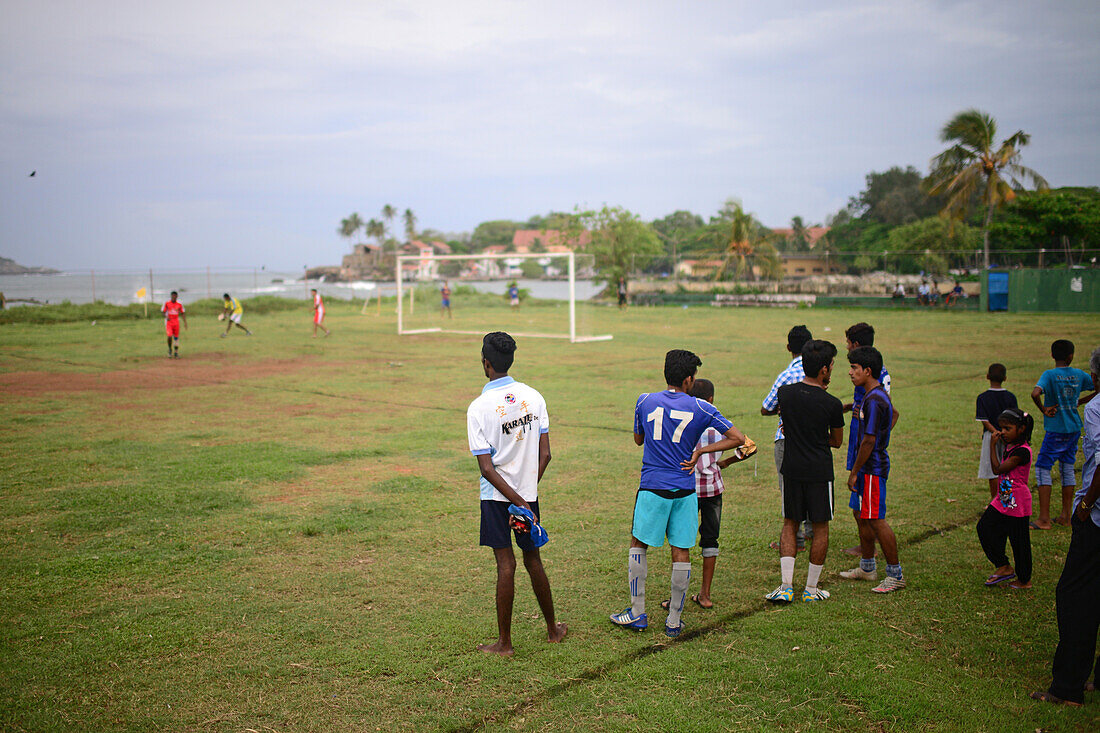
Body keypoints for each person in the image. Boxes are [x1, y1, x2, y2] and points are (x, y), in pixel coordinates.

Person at [610, 350, 746, 637]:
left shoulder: (645, 400)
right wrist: (700, 451)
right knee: (681, 550)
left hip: (652, 486)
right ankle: (673, 620)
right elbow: (738, 439)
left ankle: (637, 612)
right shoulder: (702, 407)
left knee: (639, 543)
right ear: (688, 380)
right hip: (684, 488)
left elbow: (638, 440)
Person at [466, 332, 566, 655]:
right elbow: (546, 454)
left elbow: (486, 469)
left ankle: (504, 643)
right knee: (532, 558)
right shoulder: (535, 397)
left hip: (497, 498)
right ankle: (553, 629)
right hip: (527, 495)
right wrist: (525, 496)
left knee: (505, 564)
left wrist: (514, 499)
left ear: (485, 363)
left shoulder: (478, 408)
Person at [1032, 345, 1100, 708]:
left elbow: (1035, 393)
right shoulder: (1084, 386)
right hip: (1072, 430)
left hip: (1096, 518)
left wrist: (1086, 506)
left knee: (1075, 597)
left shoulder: (1093, 407)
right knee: (1071, 470)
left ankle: (1068, 687)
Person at [765, 339, 845, 604]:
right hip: (820, 471)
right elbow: (836, 441)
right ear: (824, 369)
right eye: (832, 365)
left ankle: (786, 586)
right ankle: (811, 588)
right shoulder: (832, 404)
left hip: (792, 466)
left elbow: (785, 424)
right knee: (820, 527)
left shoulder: (786, 394)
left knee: (790, 522)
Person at [665, 378, 750, 610]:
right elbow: (749, 446)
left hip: (687, 488)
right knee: (710, 540)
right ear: (711, 399)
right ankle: (705, 594)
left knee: (680, 541)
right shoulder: (717, 424)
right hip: (713, 488)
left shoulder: (684, 421)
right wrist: (726, 462)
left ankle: (676, 597)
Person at [838, 346, 904, 593]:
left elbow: (868, 440)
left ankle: (895, 574)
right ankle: (867, 567)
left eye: (854, 368)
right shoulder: (871, 395)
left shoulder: (875, 400)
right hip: (867, 466)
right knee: (861, 514)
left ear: (867, 370)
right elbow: (894, 414)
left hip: (872, 468)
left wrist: (855, 470)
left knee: (876, 519)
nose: (850, 373)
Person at [1030, 339, 1097, 529]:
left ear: (1052, 355)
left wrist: (1043, 409)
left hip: (1055, 430)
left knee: (1043, 467)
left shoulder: (1049, 375)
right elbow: (1097, 387)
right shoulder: (1078, 374)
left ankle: (1043, 518)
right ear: (1071, 356)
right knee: (1067, 468)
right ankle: (1066, 516)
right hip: (1074, 428)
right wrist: (1080, 401)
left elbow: (1035, 393)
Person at [761, 325, 815, 552]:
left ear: (788, 347)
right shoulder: (817, 373)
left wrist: (786, 409)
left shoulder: (786, 375)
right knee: (813, 485)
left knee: (790, 489)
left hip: (787, 438)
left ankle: (797, 539)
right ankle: (814, 530)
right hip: (814, 439)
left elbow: (766, 407)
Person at [841, 322, 891, 556]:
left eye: (849, 343)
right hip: (865, 445)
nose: (847, 347)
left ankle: (874, 554)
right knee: (860, 507)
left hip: (867, 451)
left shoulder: (872, 385)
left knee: (868, 513)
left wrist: (876, 438)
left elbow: (881, 412)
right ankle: (867, 556)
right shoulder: (875, 374)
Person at [976, 407, 1035, 590]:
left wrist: (991, 446)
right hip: (1005, 495)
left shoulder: (1022, 452)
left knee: (1019, 541)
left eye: (1007, 428)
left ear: (1021, 429)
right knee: (985, 527)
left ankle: (1024, 580)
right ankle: (1003, 565)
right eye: (1001, 428)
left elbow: (997, 470)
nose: (1003, 432)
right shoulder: (1011, 446)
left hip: (1017, 499)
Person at [976, 364, 1018, 499]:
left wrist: (996, 433)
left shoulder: (982, 397)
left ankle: (995, 499)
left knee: (992, 470)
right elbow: (1014, 418)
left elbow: (984, 420)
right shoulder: (1010, 397)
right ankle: (1005, 498)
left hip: (991, 437)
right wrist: (1005, 433)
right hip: (1009, 437)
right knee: (1006, 467)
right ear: (1005, 378)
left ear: (987, 377)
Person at [161, 290, 187, 358]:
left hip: (176, 322)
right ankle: (170, 349)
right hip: (169, 322)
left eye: (175, 296)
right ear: (171, 296)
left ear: (177, 297)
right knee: (169, 336)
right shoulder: (167, 303)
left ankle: (176, 352)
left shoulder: (179, 304)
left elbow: (182, 313)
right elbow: (163, 312)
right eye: (173, 296)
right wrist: (166, 317)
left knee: (176, 338)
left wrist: (185, 323)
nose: (174, 297)